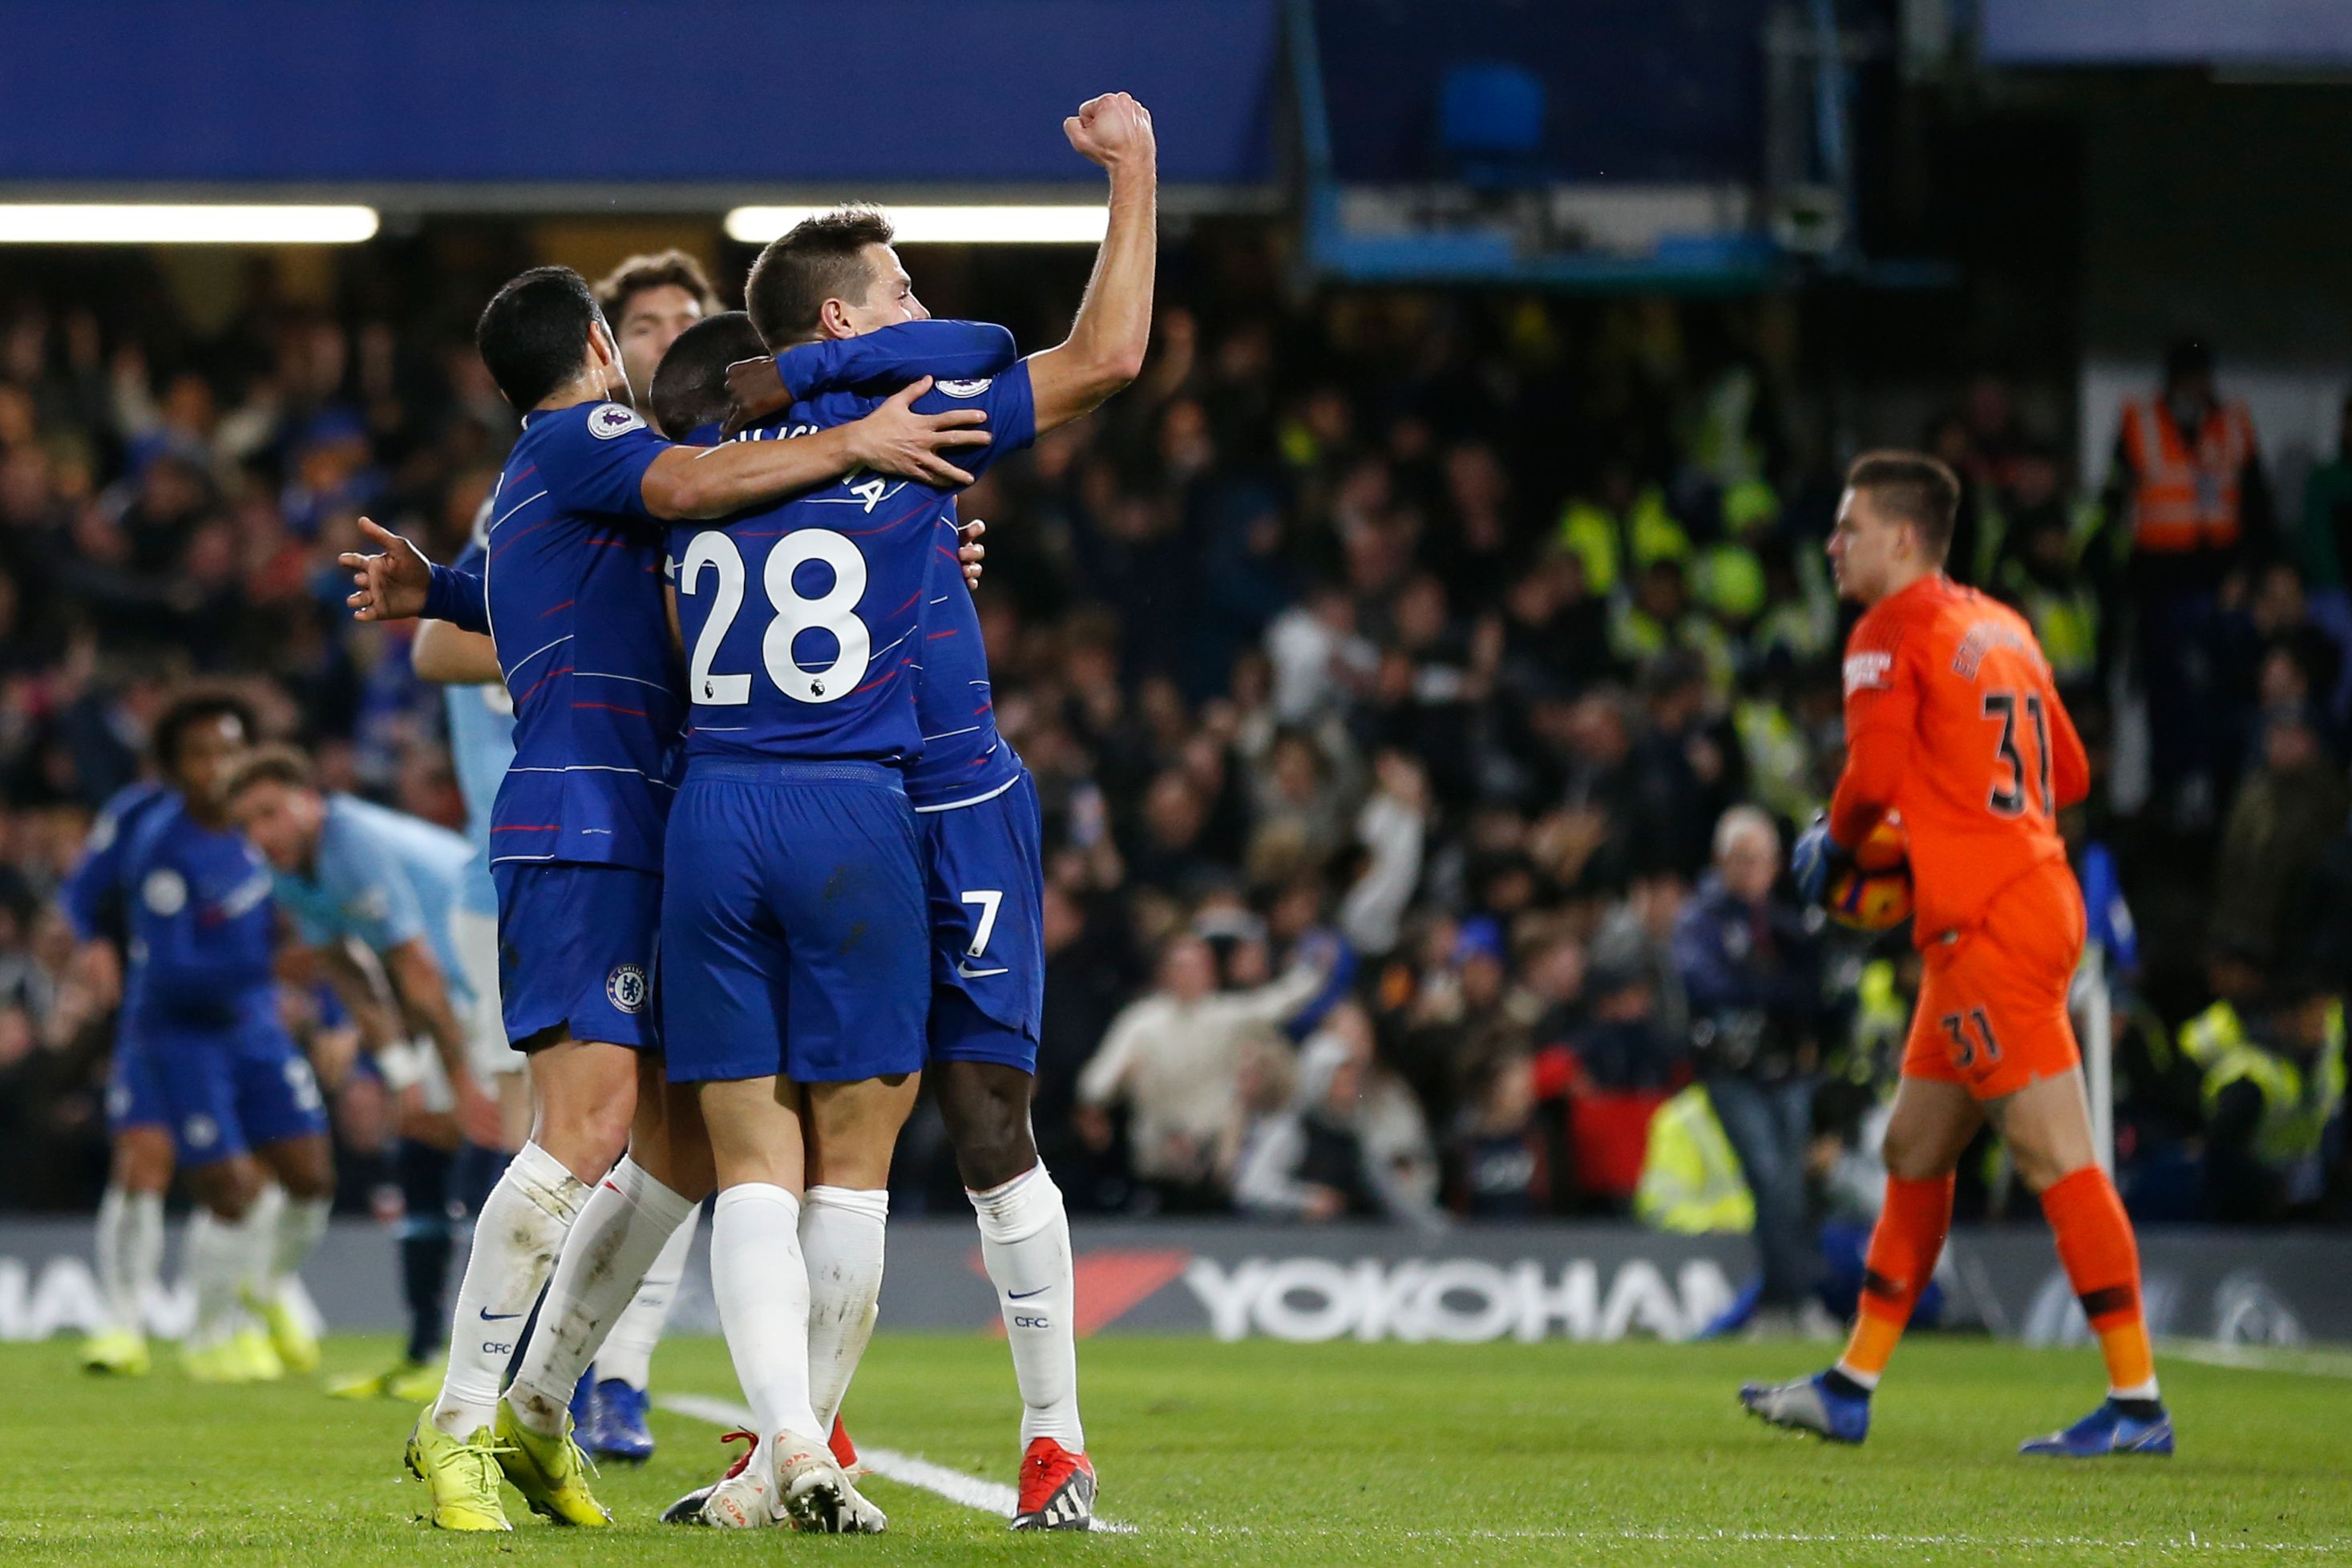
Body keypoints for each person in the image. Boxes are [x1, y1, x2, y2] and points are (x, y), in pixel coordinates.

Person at [341, 265, 992, 1531]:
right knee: (580, 1131)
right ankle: (458, 1423)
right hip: (587, 824)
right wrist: (860, 439)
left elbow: (593, 594)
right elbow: (690, 487)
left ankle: (537, 1407)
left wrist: (448, 588)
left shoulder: (563, 482)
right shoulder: (592, 435)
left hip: (654, 830)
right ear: (596, 344)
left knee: (681, 1147)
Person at [661, 91, 1158, 1533]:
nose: (926, 308)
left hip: (933, 793)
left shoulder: (738, 456)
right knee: (846, 1142)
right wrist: (1131, 172)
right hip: (860, 799)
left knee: (979, 1114)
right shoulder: (886, 426)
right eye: (898, 287)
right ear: (836, 324)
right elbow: (1108, 356)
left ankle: (1049, 1439)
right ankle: (796, 1445)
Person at [1744, 452, 2171, 1457]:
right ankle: (1851, 1385)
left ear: (1903, 537)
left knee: (2054, 1154)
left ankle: (2138, 1402)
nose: (1832, 545)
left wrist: (1833, 852)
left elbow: (1874, 773)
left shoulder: (1889, 629)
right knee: (1914, 1150)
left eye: (1848, 528)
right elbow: (2066, 769)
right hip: (2014, 901)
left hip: (1987, 921)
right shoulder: (2002, 624)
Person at [222, 745, 492, 1404]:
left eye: (271, 812)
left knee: (487, 1159)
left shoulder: (350, 841)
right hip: (447, 1000)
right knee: (425, 1160)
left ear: (308, 801)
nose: (262, 833)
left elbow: (417, 969)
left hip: (492, 986)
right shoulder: (290, 867)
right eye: (248, 823)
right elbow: (347, 974)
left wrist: (456, 1083)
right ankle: (427, 1352)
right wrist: (401, 1070)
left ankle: (496, 1364)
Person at [111, 692, 337, 1381]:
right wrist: (268, 967)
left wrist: (319, 1007)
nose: (217, 766)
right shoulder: (162, 847)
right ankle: (209, 1337)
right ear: (175, 768)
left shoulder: (259, 835)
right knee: (232, 1189)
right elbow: (171, 970)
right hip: (182, 1034)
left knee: (311, 1179)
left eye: (229, 749)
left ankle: (262, 1288)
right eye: (200, 754)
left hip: (254, 1026)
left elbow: (307, 928)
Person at [1673, 806, 1830, 1334]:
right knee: (1767, 1174)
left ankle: (1785, 1300)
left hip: (1787, 1068)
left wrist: (1771, 989)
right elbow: (1707, 987)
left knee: (1791, 1182)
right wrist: (1777, 990)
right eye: (1741, 860)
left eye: (1761, 860)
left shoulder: (1788, 924)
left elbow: (1818, 992)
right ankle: (1787, 1300)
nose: (1751, 871)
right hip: (1732, 1071)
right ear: (1721, 862)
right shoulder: (1702, 920)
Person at [2105, 339, 2273, 822]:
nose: (2196, 387)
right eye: (2187, 376)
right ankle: (2168, 800)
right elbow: (2117, 501)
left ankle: (2224, 800)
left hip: (2224, 584)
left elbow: (2257, 504)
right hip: (2160, 584)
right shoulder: (2139, 421)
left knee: (2226, 694)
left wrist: (2247, 574)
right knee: (2167, 699)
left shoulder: (2234, 421)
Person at [59, 773, 176, 1376]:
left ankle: (245, 1312)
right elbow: (83, 892)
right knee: (140, 1158)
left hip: (247, 1020)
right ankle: (123, 1325)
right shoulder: (138, 810)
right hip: (153, 1014)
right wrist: (94, 942)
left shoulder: (257, 817)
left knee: (278, 1177)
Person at [2201, 973, 2346, 1223]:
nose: (2322, 1031)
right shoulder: (2252, 1076)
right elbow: (2222, 1155)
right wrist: (2270, 1186)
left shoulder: (2319, 1072)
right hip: (2251, 1214)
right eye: (2313, 1020)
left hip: (2307, 1206)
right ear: (2285, 1021)